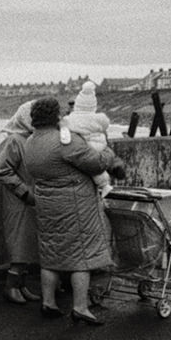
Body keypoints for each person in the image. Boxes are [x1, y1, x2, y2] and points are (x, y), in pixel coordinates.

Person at [22, 96, 124, 326]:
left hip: (46, 203)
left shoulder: (30, 141)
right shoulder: (64, 140)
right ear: (55, 116)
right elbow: (96, 162)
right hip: (74, 205)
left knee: (50, 253)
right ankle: (80, 307)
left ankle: (48, 302)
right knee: (81, 256)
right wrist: (108, 152)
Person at [0, 100, 41, 304]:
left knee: (27, 244)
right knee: (19, 244)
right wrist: (24, 192)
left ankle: (20, 285)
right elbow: (2, 171)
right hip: (18, 200)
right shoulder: (13, 140)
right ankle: (10, 287)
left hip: (30, 198)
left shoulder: (30, 139)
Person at [59, 81, 114, 197]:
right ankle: (104, 185)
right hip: (99, 144)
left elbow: (64, 127)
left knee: (92, 167)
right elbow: (105, 125)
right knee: (96, 168)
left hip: (85, 148)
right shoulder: (99, 120)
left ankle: (104, 185)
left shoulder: (70, 121)